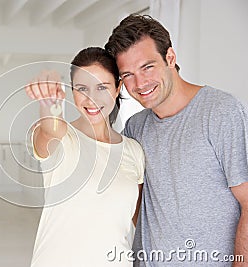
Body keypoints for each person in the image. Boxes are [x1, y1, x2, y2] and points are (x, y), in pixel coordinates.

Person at [104, 14, 248, 266]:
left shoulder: (220, 111)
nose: (140, 83)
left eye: (147, 67)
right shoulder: (135, 128)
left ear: (170, 58)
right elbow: (135, 203)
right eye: (128, 75)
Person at [25, 47, 145, 266]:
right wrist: (49, 95)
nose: (92, 99)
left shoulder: (133, 151)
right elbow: (50, 129)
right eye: (82, 88)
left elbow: (140, 223)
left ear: (118, 88)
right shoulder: (62, 139)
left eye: (102, 87)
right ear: (72, 91)